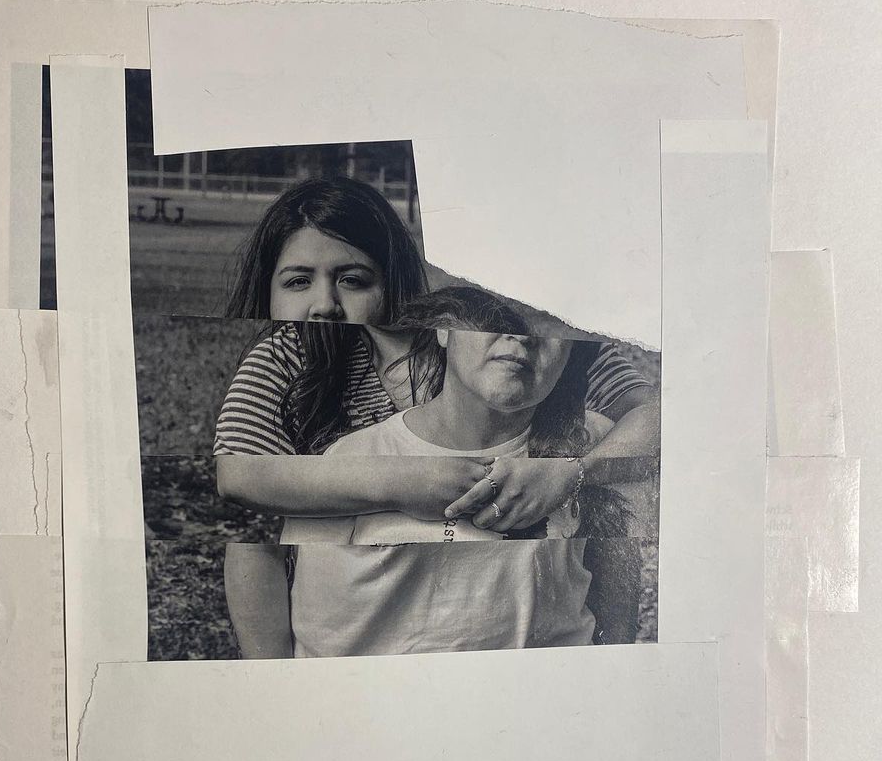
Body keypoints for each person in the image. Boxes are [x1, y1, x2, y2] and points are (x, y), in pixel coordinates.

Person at [212, 176, 657, 655]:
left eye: (352, 279)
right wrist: (405, 481)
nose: (324, 304)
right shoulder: (286, 357)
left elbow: (656, 417)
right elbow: (240, 479)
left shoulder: (547, 340)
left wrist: (572, 473)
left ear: (391, 278)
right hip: (352, 607)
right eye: (298, 281)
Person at [283, 283, 630, 656]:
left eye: (551, 324)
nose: (522, 336)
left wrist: (574, 472)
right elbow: (318, 627)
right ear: (444, 331)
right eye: (493, 315)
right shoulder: (356, 456)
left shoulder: (596, 443)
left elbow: (617, 585)